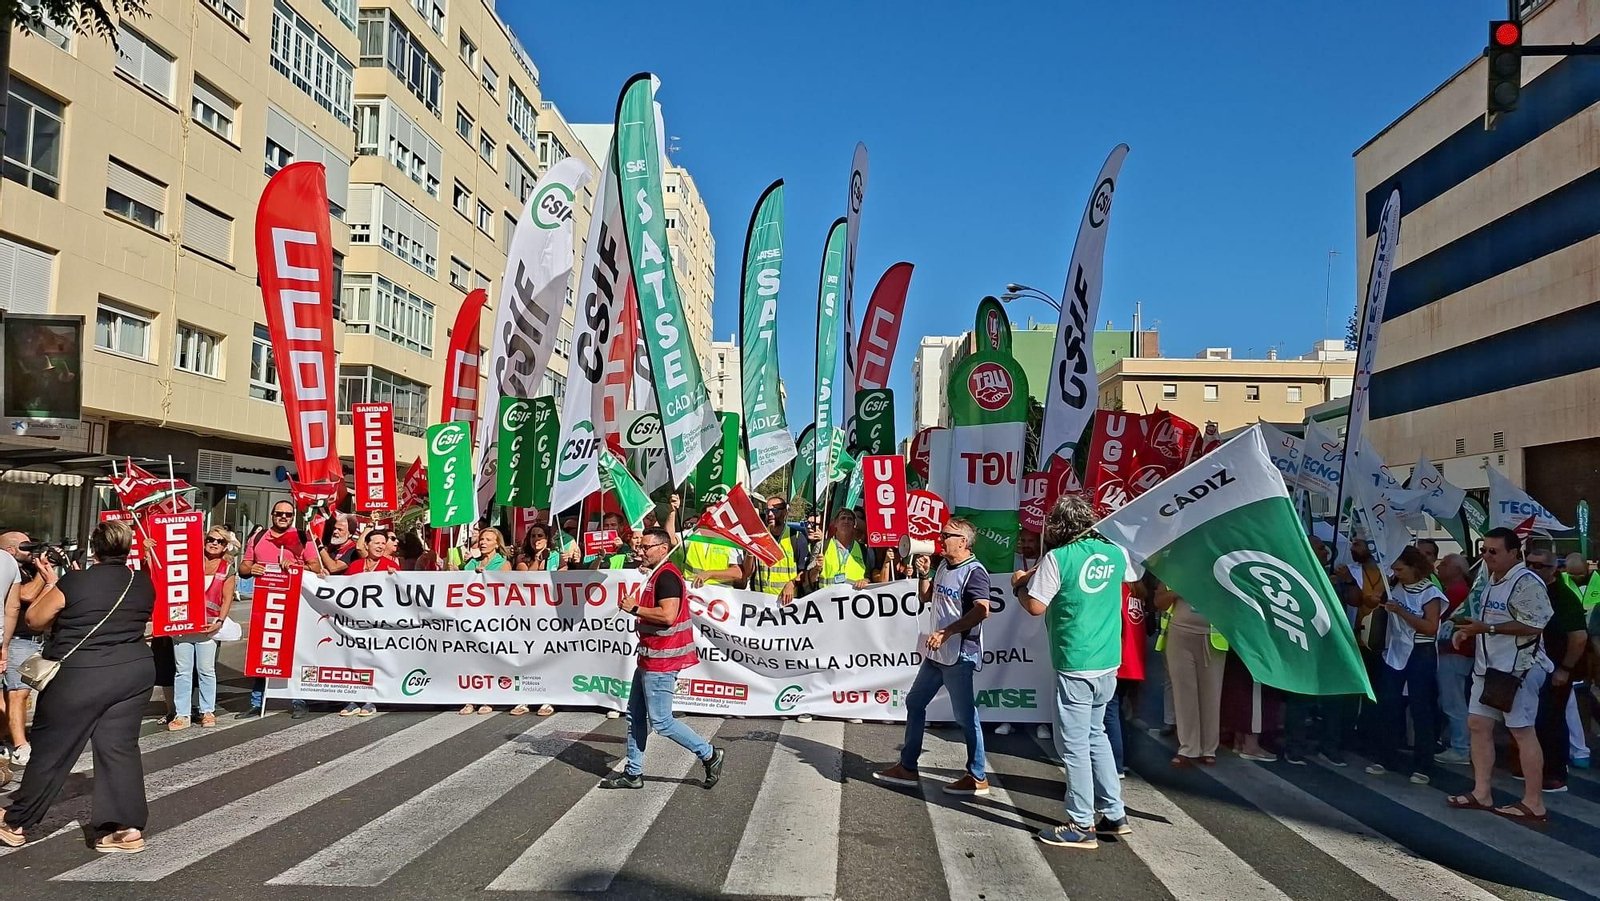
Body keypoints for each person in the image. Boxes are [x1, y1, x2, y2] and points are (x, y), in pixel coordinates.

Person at [0, 519, 155, 852]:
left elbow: (35, 619)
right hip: (134, 671)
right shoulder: (142, 581)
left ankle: (16, 822)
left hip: (82, 673)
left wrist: (52, 580)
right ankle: (126, 829)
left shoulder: (77, 581)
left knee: (53, 749)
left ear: (93, 547)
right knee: (119, 748)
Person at [1018, 495, 1132, 849]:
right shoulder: (1115, 552)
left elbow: (1035, 606)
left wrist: (1019, 584)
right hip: (1108, 657)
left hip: (1076, 659)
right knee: (1096, 735)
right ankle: (1114, 813)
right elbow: (1132, 577)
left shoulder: (1058, 558)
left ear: (1058, 527)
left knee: (1074, 745)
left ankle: (1081, 822)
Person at [873, 519, 992, 797]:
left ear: (963, 541)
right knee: (915, 702)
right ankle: (908, 766)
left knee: (965, 715)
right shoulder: (943, 567)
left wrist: (948, 631)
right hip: (937, 653)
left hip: (959, 654)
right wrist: (924, 574)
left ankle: (977, 776)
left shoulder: (974, 572)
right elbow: (926, 598)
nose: (941, 538)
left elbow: (983, 610)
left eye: (947, 535)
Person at [600, 527, 725, 790]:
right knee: (634, 715)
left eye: (646, 547)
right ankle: (633, 772)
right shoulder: (655, 575)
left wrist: (635, 608)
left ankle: (709, 754)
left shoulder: (667, 577)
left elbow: (668, 616)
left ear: (663, 549)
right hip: (649, 657)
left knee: (662, 722)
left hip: (662, 660)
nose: (640, 551)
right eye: (640, 546)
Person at [1446, 528, 1552, 823]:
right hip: (1488, 667)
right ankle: (1482, 792)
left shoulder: (1526, 581)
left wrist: (1487, 629)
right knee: (1477, 724)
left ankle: (1534, 802)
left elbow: (1535, 625)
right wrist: (1467, 630)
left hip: (1519, 668)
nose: (1486, 556)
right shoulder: (1490, 579)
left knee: (1522, 731)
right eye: (1484, 550)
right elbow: (1483, 617)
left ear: (1512, 553)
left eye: (1493, 552)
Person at [239, 500, 323, 719]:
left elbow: (316, 567)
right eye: (279, 514)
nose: (283, 517)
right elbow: (244, 566)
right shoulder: (258, 537)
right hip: (265, 603)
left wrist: (296, 567)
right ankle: (257, 702)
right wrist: (252, 568)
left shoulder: (302, 537)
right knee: (261, 652)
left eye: (288, 514)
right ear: (272, 515)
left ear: (293, 516)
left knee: (294, 654)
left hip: (295, 604)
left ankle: (298, 701)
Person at [1365, 545, 1443, 784]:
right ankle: (1386, 756)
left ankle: (1423, 764)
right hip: (1394, 649)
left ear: (1414, 567)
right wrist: (1375, 598)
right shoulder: (1393, 585)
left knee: (1420, 708)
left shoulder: (1430, 591)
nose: (1396, 573)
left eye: (1400, 569)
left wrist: (1401, 612)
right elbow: (1370, 601)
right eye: (1394, 569)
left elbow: (1431, 627)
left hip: (1421, 651)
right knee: (1388, 703)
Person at [1525, 547, 1587, 792]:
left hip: (1555, 667)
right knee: (1531, 720)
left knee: (1552, 720)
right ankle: (1534, 767)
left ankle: (1555, 773)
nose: (1532, 569)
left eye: (1540, 566)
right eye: (1529, 563)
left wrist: (1565, 668)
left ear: (1554, 569)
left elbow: (1579, 637)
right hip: (1530, 666)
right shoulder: (1528, 591)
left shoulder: (1563, 596)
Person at [169, 527, 237, 731]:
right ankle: (182, 714)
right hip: (183, 624)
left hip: (208, 626)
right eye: (210, 539)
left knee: (206, 670)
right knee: (182, 672)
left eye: (220, 541)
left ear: (225, 546)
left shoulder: (226, 568)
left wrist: (220, 621)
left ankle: (207, 710)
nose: (214, 543)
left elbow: (227, 599)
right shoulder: (187, 562)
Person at [1156, 582, 1227, 766]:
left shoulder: (1222, 567)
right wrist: (1176, 593)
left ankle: (1209, 749)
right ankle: (1188, 747)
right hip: (1179, 636)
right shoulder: (1176, 570)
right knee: (1183, 693)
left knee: (1211, 694)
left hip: (1212, 639)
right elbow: (1159, 602)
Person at [2, 531, 55, 767]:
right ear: (11, 550)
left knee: (18, 694)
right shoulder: (8, 568)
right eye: (26, 547)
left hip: (30, 637)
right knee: (17, 693)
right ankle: (21, 745)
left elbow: (39, 599)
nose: (30, 552)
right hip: (17, 638)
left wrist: (46, 573)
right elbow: (25, 596)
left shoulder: (25, 569)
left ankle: (7, 739)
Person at [457, 528, 516, 715]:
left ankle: (489, 698)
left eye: (488, 539)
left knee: (489, 659)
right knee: (471, 659)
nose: (483, 542)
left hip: (492, 619)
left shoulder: (503, 563)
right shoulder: (471, 562)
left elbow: (505, 590)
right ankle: (471, 698)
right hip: (470, 618)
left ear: (497, 544)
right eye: (481, 539)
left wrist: (486, 577)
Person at [1004, 529, 1052, 741]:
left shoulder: (1046, 560)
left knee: (1039, 674)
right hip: (1013, 626)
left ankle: (1042, 720)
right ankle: (1008, 718)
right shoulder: (1013, 560)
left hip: (1040, 627)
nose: (1025, 544)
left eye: (1030, 540)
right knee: (1012, 670)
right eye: (1022, 540)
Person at [1435, 553, 1475, 766]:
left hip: (1454, 651)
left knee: (1453, 701)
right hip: (1455, 652)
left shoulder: (1457, 593)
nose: (1439, 567)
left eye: (1444, 564)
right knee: (1450, 699)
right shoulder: (1456, 591)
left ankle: (1461, 748)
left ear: (1458, 570)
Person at [744, 495, 810, 604]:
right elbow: (748, 572)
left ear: (784, 512)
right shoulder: (759, 537)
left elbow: (804, 572)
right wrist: (750, 552)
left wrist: (792, 583)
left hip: (787, 603)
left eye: (774, 510)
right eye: (767, 510)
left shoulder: (796, 537)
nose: (770, 514)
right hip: (761, 602)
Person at [814, 509, 871, 589]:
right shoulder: (822, 546)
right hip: (827, 598)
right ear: (836, 523)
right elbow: (809, 579)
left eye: (850, 519)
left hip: (853, 597)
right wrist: (816, 569)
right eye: (843, 518)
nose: (846, 521)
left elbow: (869, 577)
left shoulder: (862, 549)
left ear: (854, 524)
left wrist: (865, 580)